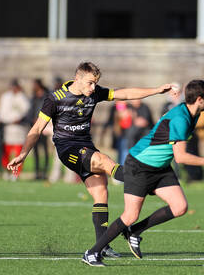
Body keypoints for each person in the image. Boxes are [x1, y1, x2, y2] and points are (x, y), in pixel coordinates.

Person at [7, 62, 174, 258]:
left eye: (96, 83)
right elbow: (36, 129)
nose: (93, 87)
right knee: (104, 160)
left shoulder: (94, 93)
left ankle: (102, 246)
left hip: (86, 147)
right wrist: (23, 154)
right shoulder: (55, 99)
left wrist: (156, 90)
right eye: (90, 83)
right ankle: (143, 179)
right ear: (77, 79)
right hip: (68, 149)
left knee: (101, 192)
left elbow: (125, 94)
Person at [83, 79, 204, 267]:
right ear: (199, 99)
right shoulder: (181, 118)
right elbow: (180, 157)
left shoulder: (191, 111)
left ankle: (135, 231)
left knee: (180, 206)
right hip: (139, 165)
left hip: (160, 168)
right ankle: (92, 253)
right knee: (130, 215)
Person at [0, 79, 30, 177]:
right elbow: (1, 110)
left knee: (19, 152)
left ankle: (16, 173)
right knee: (6, 152)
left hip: (19, 129)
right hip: (8, 128)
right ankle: (6, 171)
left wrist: (19, 118)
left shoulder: (22, 97)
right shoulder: (6, 96)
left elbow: (26, 110)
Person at [28, 79, 49, 180]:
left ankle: (45, 172)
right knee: (35, 151)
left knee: (45, 151)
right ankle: (37, 173)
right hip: (35, 127)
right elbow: (30, 111)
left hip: (44, 128)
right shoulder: (34, 98)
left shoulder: (47, 96)